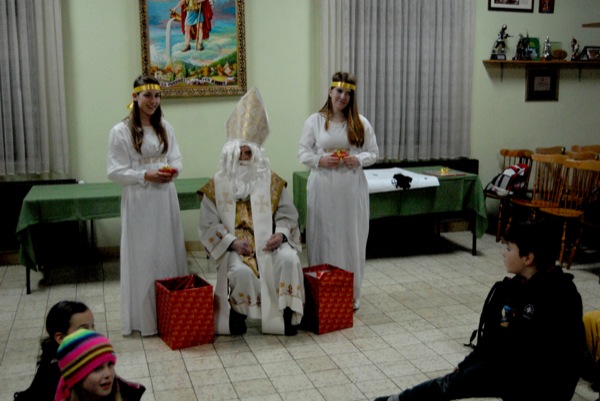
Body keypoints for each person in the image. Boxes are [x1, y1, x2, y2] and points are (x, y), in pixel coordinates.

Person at [374, 221, 585, 401]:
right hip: (510, 369)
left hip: (541, 383)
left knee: (457, 382)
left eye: (509, 249)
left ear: (528, 258)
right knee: (449, 384)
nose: (503, 253)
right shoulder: (513, 287)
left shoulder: (561, 295)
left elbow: (558, 356)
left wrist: (483, 369)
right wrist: (468, 364)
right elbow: (494, 337)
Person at [198, 87, 304, 336]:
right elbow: (208, 224)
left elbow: (288, 215)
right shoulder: (217, 185)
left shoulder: (271, 181)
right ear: (231, 155)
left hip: (269, 243)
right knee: (241, 272)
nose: (245, 159)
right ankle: (239, 314)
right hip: (237, 246)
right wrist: (232, 242)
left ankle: (286, 312)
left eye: (249, 153)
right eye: (240, 154)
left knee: (289, 259)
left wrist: (281, 234)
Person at [107, 75, 188, 337]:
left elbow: (176, 157)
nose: (153, 101)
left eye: (157, 96)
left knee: (167, 251)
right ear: (135, 97)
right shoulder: (120, 131)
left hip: (164, 197)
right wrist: (145, 175)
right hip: (140, 200)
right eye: (148, 96)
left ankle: (171, 312)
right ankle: (146, 318)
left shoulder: (166, 127)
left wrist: (173, 171)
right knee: (144, 255)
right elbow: (115, 171)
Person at [298, 71, 378, 311]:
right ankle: (321, 292)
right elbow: (303, 152)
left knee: (350, 237)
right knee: (323, 236)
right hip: (322, 188)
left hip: (350, 189)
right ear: (330, 91)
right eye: (339, 91)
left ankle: (350, 294)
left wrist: (358, 159)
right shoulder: (315, 121)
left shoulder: (361, 123)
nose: (343, 97)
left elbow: (373, 153)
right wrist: (320, 161)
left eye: (348, 93)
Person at [14, 301, 94, 401]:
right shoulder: (57, 374)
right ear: (60, 338)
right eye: (84, 329)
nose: (93, 333)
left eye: (93, 326)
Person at [54, 329, 145, 401]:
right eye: (97, 369)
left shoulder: (127, 395)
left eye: (110, 364)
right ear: (75, 377)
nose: (108, 374)